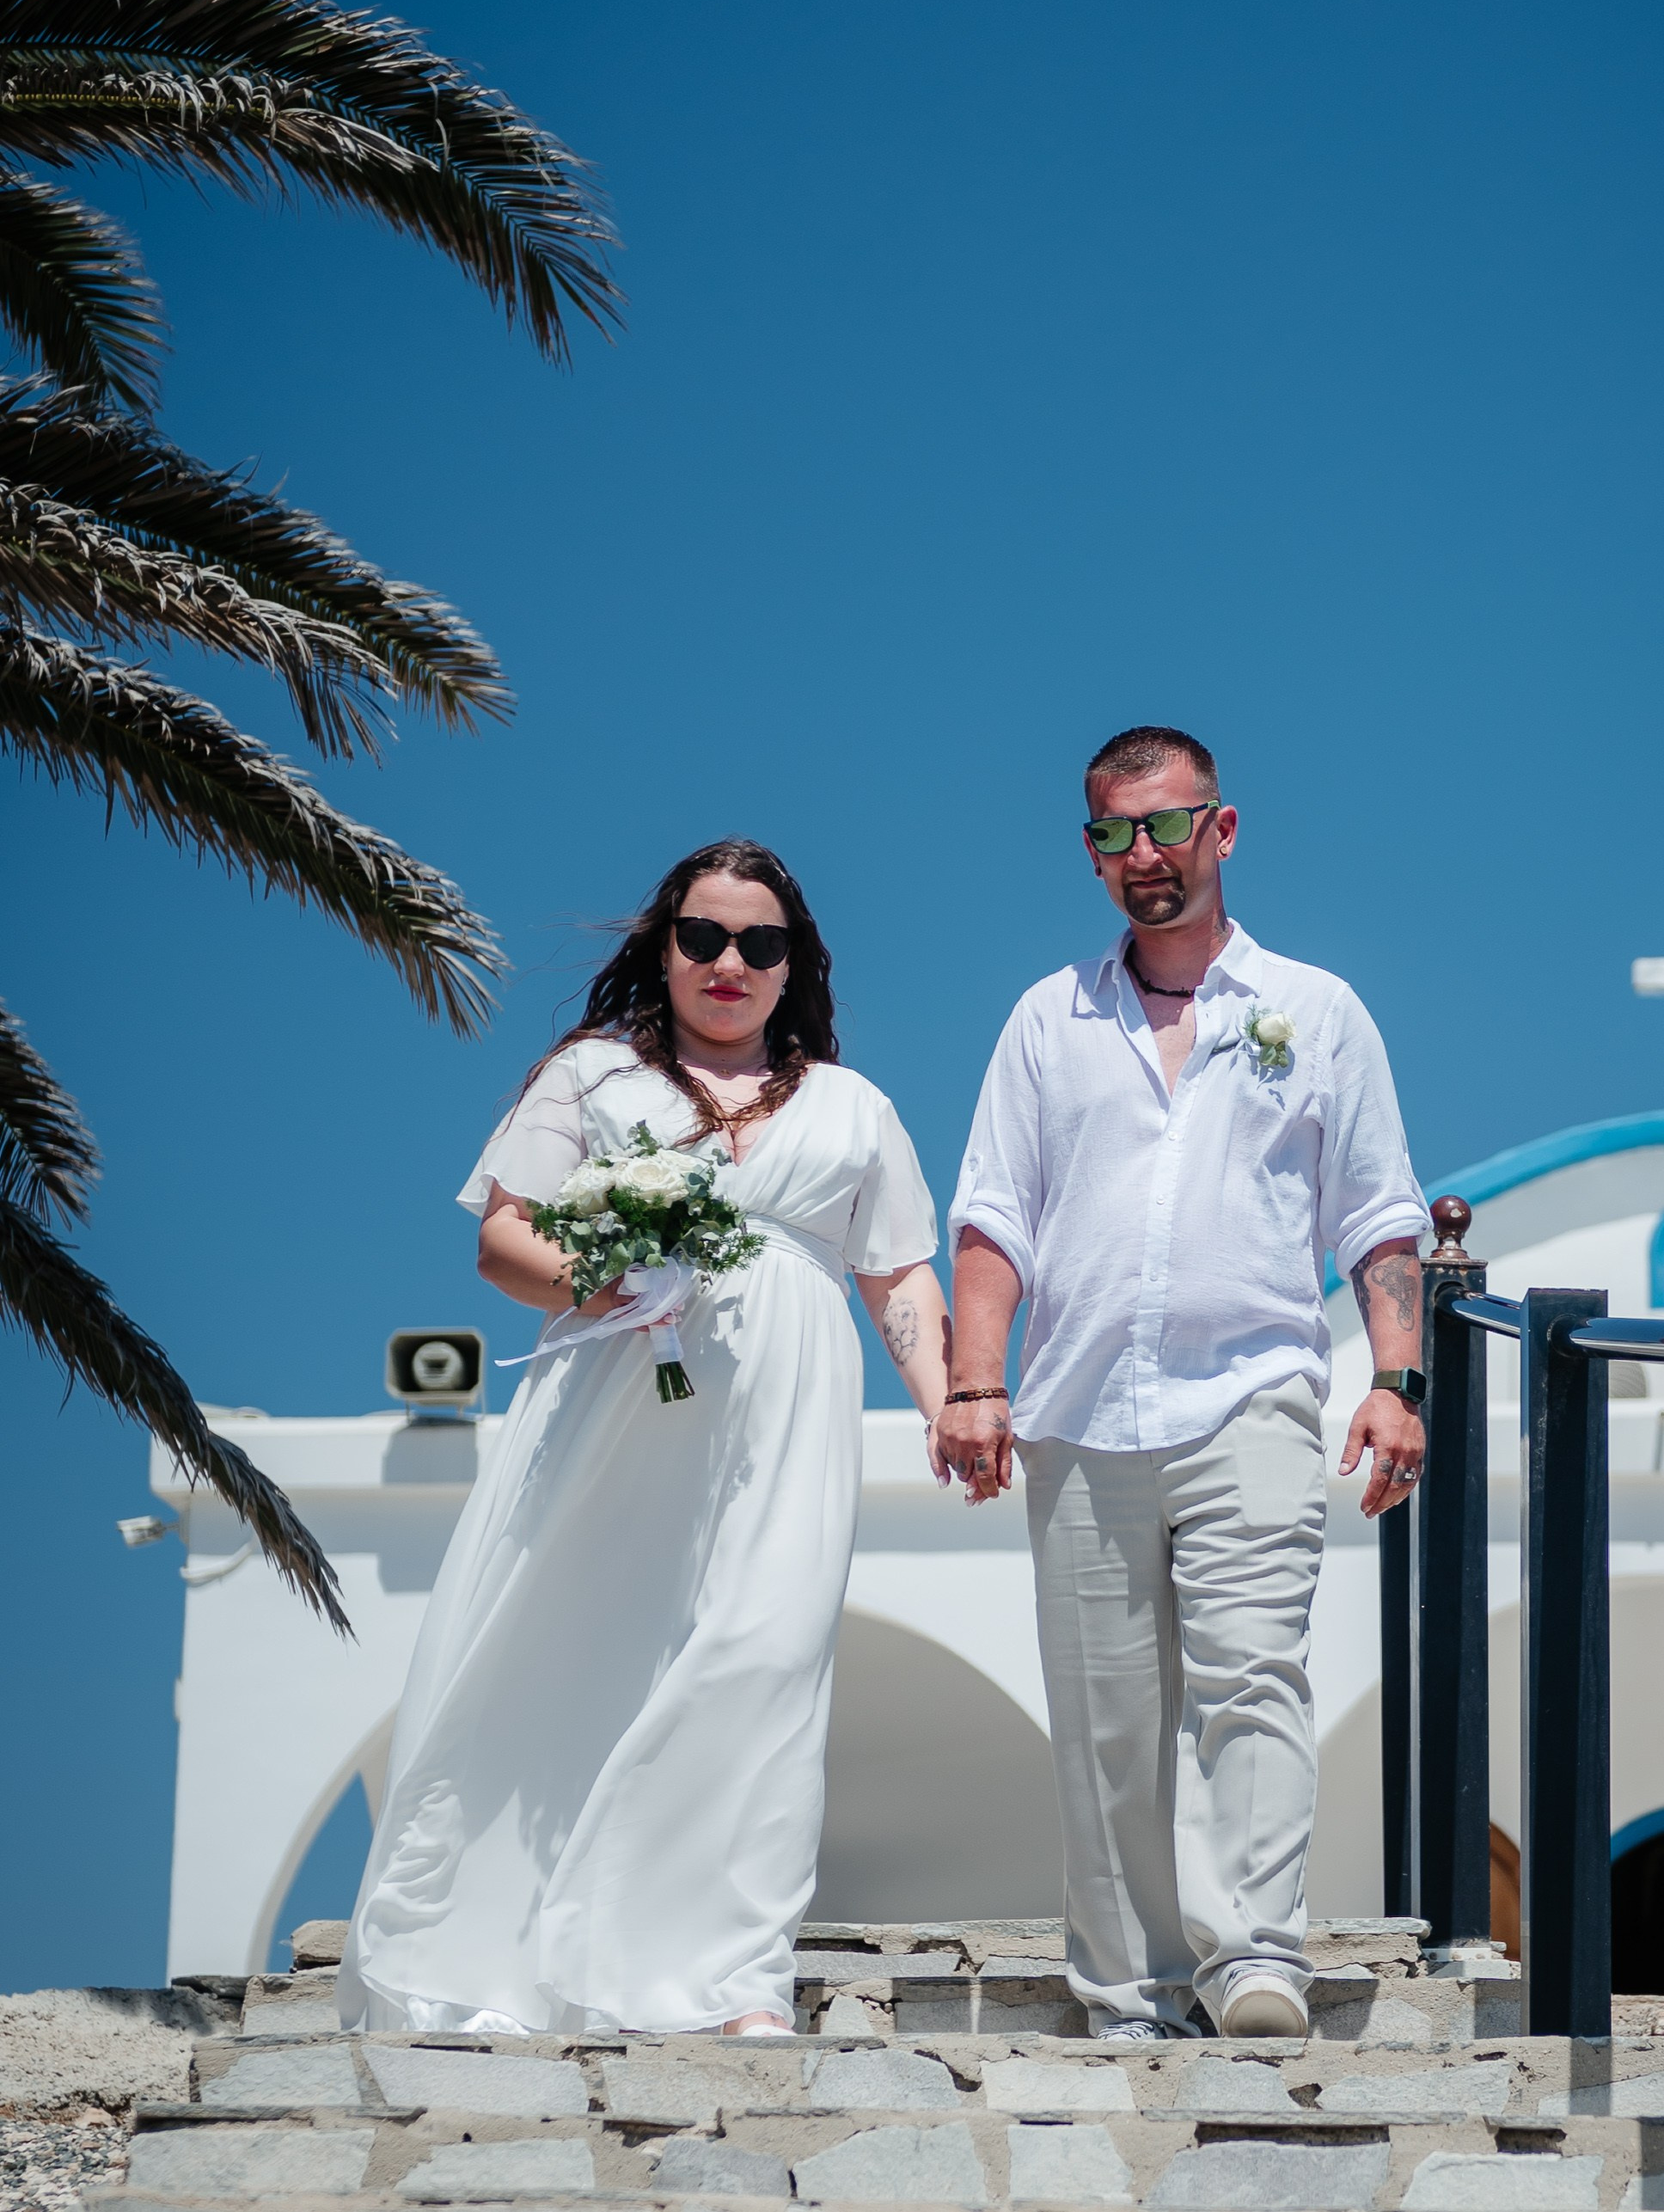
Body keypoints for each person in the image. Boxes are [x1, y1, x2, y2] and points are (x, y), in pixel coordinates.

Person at [339, 839, 948, 2041]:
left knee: (768, 1654)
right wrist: (609, 1280)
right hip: (615, 1395)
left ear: (794, 964)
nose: (730, 962)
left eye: (760, 943)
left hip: (788, 1411)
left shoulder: (852, 1106)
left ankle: (729, 1977)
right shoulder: (593, 1076)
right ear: (664, 946)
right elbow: (503, 1238)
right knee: (578, 1644)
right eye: (703, 936)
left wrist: (949, 1401)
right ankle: (513, 1957)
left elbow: (898, 1273)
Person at [936, 726, 1429, 2046]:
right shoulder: (1045, 1019)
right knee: (1105, 1721)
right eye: (1114, 833)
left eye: (1165, 824)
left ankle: (1254, 1957)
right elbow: (993, 1218)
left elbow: (1378, 1215)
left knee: (1252, 1673)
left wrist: (1395, 1378)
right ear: (1090, 850)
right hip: (1077, 1411)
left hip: (1251, 1393)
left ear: (1222, 827)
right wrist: (974, 1384)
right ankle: (1129, 1994)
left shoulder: (1315, 1011)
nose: (1142, 854)